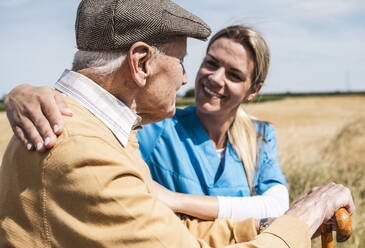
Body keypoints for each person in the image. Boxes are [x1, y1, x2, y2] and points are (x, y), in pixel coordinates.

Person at [1, 0, 356, 247]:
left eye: (234, 74)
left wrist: (266, 226)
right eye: (184, 62)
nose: (187, 78)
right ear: (141, 62)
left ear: (253, 90)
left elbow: (166, 231)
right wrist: (306, 214)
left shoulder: (107, 132)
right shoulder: (91, 153)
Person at [5, 25, 289, 221]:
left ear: (254, 90)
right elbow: (93, 119)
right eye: (211, 63)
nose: (215, 78)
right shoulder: (160, 126)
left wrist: (175, 200)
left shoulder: (259, 136)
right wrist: (20, 94)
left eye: (234, 75)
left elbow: (276, 205)